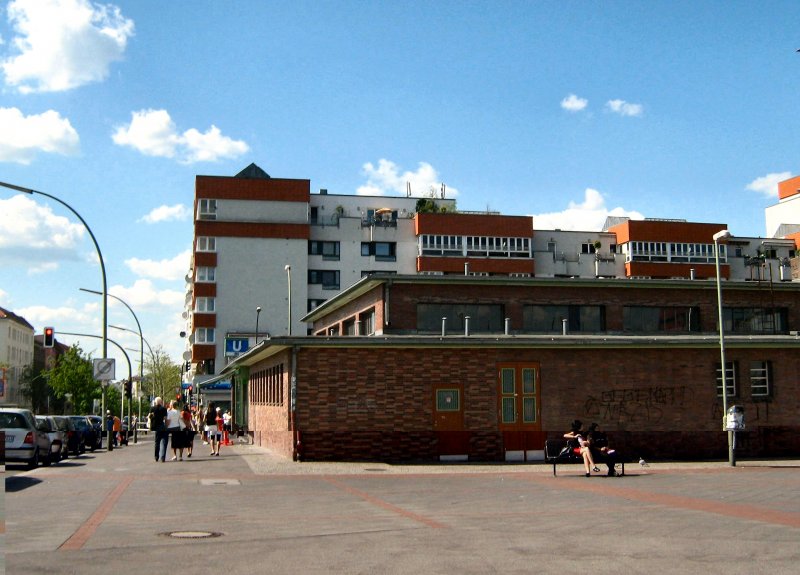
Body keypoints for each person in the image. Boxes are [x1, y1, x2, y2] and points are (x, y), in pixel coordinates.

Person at [148, 397, 169, 462]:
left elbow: (149, 416)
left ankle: (156, 456)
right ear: (160, 402)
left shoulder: (152, 408)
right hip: (161, 426)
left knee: (157, 442)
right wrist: (166, 426)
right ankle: (163, 457)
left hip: (155, 426)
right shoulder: (164, 409)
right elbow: (165, 418)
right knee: (164, 441)